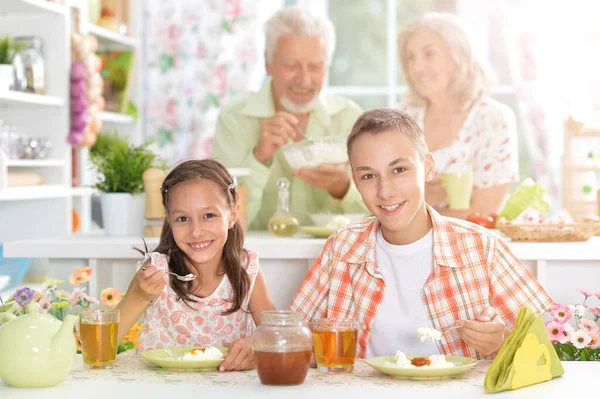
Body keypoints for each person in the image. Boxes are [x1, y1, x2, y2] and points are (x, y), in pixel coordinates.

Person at [291, 108, 552, 360]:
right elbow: (293, 334)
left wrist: (502, 340)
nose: (385, 191)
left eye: (399, 170)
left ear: (428, 167)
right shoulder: (342, 247)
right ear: (356, 181)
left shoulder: (482, 248)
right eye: (369, 175)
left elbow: (544, 349)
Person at [212, 7, 368, 230]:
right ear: (268, 63)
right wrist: (259, 157)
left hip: (336, 259)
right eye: (291, 65)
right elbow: (221, 220)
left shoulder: (350, 118)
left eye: (315, 66)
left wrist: (343, 187)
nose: (304, 80)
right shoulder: (234, 119)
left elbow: (378, 217)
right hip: (257, 258)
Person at [117, 159, 276, 371]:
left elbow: (278, 335)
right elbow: (106, 342)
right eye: (183, 219)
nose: (196, 231)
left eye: (209, 215)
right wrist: (139, 296)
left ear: (233, 214)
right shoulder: (156, 270)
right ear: (169, 220)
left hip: (227, 389)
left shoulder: (247, 270)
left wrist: (256, 344)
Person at [397, 13, 519, 219]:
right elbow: (379, 200)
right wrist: (420, 198)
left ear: (459, 56)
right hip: (404, 247)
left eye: (429, 54)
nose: (416, 67)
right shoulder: (401, 119)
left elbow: (483, 214)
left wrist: (414, 206)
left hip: (471, 246)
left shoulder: (492, 119)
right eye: (411, 58)